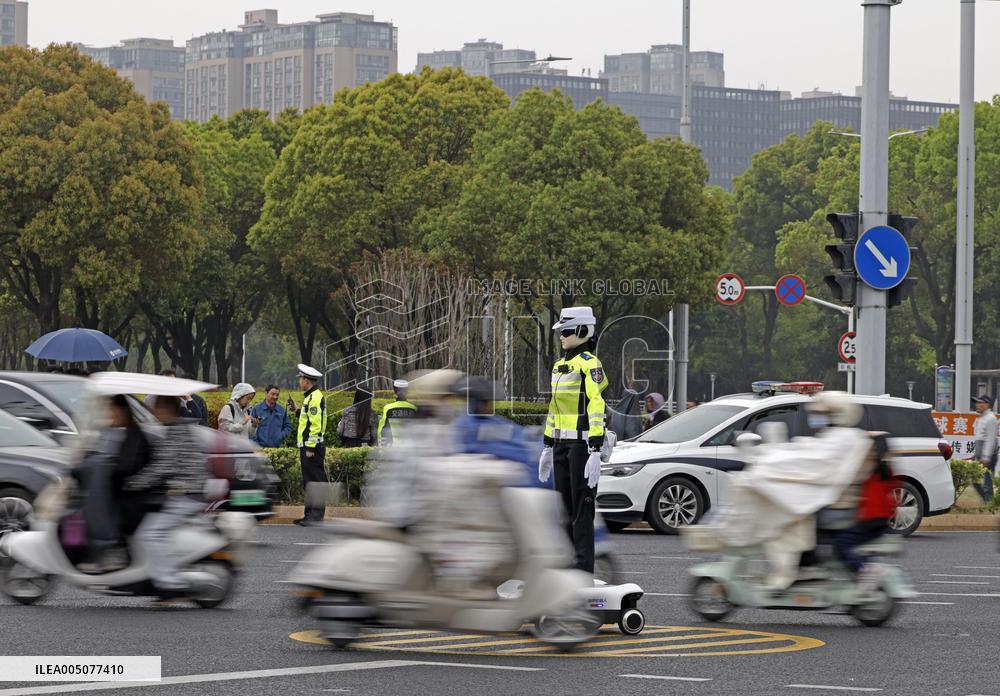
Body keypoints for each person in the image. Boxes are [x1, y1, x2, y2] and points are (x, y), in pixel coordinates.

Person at [538, 306, 608, 574]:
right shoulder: (559, 366)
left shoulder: (590, 364)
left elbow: (596, 405)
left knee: (582, 511)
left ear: (582, 330)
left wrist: (595, 448)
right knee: (564, 510)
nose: (561, 337)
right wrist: (547, 445)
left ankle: (582, 570)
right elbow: (554, 409)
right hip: (560, 447)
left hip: (581, 446)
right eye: (561, 331)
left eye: (566, 331)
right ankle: (568, 565)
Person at [123, 394, 211, 598]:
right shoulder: (176, 429)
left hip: (187, 494)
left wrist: (134, 483)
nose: (155, 412)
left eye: (159, 408)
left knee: (149, 533)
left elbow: (162, 468)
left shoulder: (175, 432)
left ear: (169, 409)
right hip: (187, 491)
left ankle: (169, 581)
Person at [73, 394, 152, 573]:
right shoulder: (117, 434)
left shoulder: (135, 436)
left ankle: (110, 551)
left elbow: (125, 468)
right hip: (123, 490)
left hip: (133, 495)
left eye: (112, 410)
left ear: (122, 411)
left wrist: (106, 468)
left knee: (96, 508)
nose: (109, 415)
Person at [831, 432, 896, 588]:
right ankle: (864, 571)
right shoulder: (887, 468)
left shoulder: (870, 466)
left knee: (841, 542)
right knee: (855, 543)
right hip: (884, 519)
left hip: (871, 518)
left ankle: (865, 569)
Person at [295, 364, 329, 525]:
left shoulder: (314, 397)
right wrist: (297, 411)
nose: (299, 381)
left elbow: (316, 425)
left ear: (306, 380)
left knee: (315, 481)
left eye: (300, 378)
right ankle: (309, 515)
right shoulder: (310, 397)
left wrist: (310, 447)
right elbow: (309, 420)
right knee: (309, 482)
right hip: (308, 446)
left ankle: (315, 516)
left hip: (312, 448)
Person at [972, 395, 998, 503]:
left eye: (980, 402)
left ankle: (988, 502)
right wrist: (976, 454)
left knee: (986, 481)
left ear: (987, 405)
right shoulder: (981, 418)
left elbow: (991, 438)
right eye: (976, 402)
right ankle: (987, 500)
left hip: (988, 456)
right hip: (980, 454)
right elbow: (979, 438)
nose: (977, 405)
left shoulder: (991, 418)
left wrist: (986, 457)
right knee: (974, 479)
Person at [377, 379, 417, 446]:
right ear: (407, 391)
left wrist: (382, 449)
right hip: (411, 449)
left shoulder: (388, 408)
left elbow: (382, 430)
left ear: (394, 390)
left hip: (393, 450)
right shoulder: (413, 408)